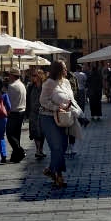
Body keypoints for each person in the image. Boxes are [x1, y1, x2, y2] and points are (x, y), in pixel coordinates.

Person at [39, 59, 77, 188]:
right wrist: (56, 107)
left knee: (63, 146)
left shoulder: (66, 82)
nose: (67, 70)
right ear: (58, 70)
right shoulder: (48, 83)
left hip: (63, 118)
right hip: (48, 117)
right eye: (64, 68)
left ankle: (51, 169)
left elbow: (71, 99)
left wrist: (78, 112)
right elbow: (43, 101)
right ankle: (58, 176)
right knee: (57, 147)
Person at [5, 70, 26, 162]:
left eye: (9, 75)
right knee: (16, 135)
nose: (8, 77)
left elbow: (8, 101)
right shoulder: (22, 85)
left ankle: (19, 151)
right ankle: (16, 155)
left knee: (9, 134)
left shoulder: (12, 86)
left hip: (14, 112)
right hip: (21, 111)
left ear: (13, 76)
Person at [26, 67, 45, 160]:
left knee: (42, 133)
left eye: (34, 75)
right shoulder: (30, 87)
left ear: (40, 76)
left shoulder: (44, 86)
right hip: (33, 113)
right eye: (32, 76)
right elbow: (27, 99)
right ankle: (37, 150)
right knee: (35, 131)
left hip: (43, 112)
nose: (32, 77)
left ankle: (41, 149)